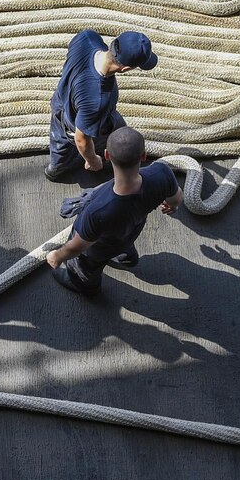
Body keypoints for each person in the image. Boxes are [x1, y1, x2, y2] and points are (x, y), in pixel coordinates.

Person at [45, 127, 183, 296]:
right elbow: (176, 197)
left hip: (101, 248)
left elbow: (78, 246)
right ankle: (127, 257)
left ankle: (86, 286)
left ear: (107, 155)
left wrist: (57, 256)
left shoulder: (97, 211)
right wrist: (173, 206)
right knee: (124, 240)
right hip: (131, 230)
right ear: (144, 155)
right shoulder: (162, 173)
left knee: (87, 266)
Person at [46, 29, 158, 181]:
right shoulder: (98, 98)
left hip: (60, 101)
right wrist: (93, 160)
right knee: (121, 143)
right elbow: (81, 139)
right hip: (76, 124)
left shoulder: (86, 38)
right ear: (125, 69)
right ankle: (56, 171)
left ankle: (54, 167)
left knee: (59, 145)